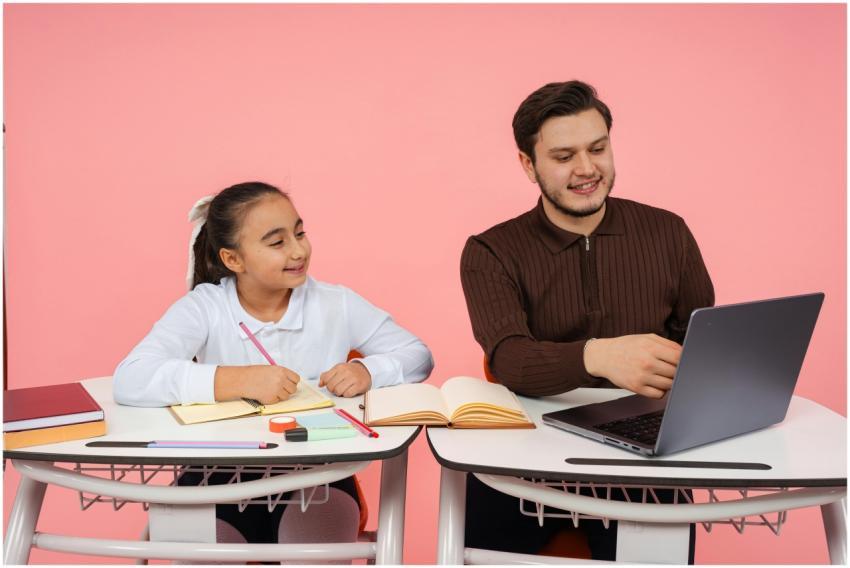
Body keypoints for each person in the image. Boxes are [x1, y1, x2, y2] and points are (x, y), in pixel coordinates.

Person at [459, 80, 714, 561]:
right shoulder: (490, 250)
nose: (586, 169)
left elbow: (701, 346)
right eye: (563, 156)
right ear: (528, 165)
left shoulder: (668, 232)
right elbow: (509, 358)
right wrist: (599, 355)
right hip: (523, 462)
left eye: (598, 148)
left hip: (645, 457)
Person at [114, 181, 433, 559]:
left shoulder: (335, 303)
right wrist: (234, 379)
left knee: (314, 549)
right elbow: (130, 376)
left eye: (300, 233)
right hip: (213, 476)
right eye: (277, 242)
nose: (299, 250)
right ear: (234, 260)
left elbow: (417, 355)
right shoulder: (205, 307)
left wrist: (369, 371)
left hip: (318, 478)